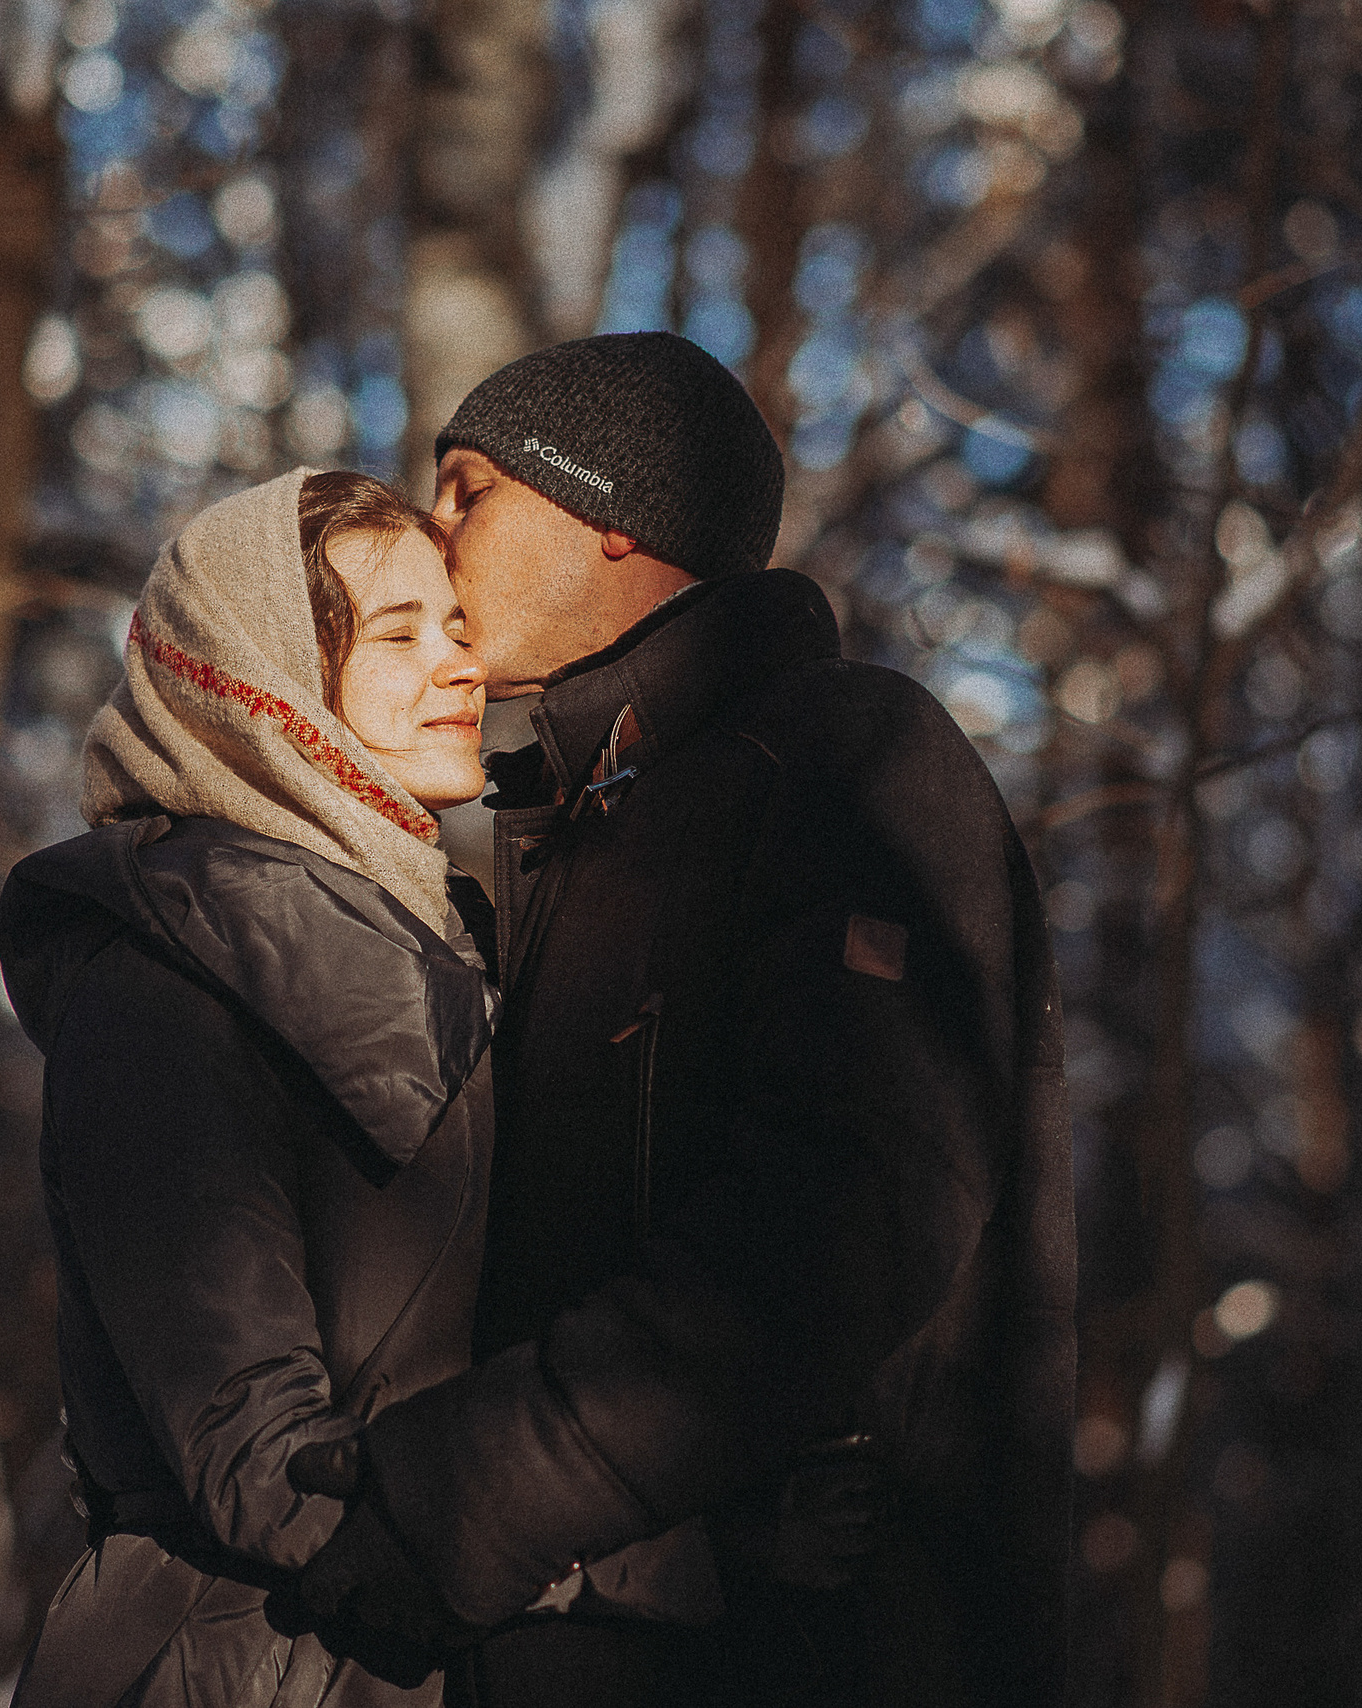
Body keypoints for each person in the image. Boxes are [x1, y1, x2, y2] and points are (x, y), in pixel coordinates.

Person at [292, 332, 1076, 1707]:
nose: (433, 528)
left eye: (470, 489)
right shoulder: (588, 824)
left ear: (611, 515)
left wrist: (483, 1490)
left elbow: (846, 1218)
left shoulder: (850, 761)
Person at [0, 467, 499, 1708]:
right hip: (245, 1666)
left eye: (458, 628)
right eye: (398, 636)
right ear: (261, 680)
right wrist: (600, 1549)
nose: (463, 667)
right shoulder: (160, 985)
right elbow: (259, 1464)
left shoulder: (450, 950)